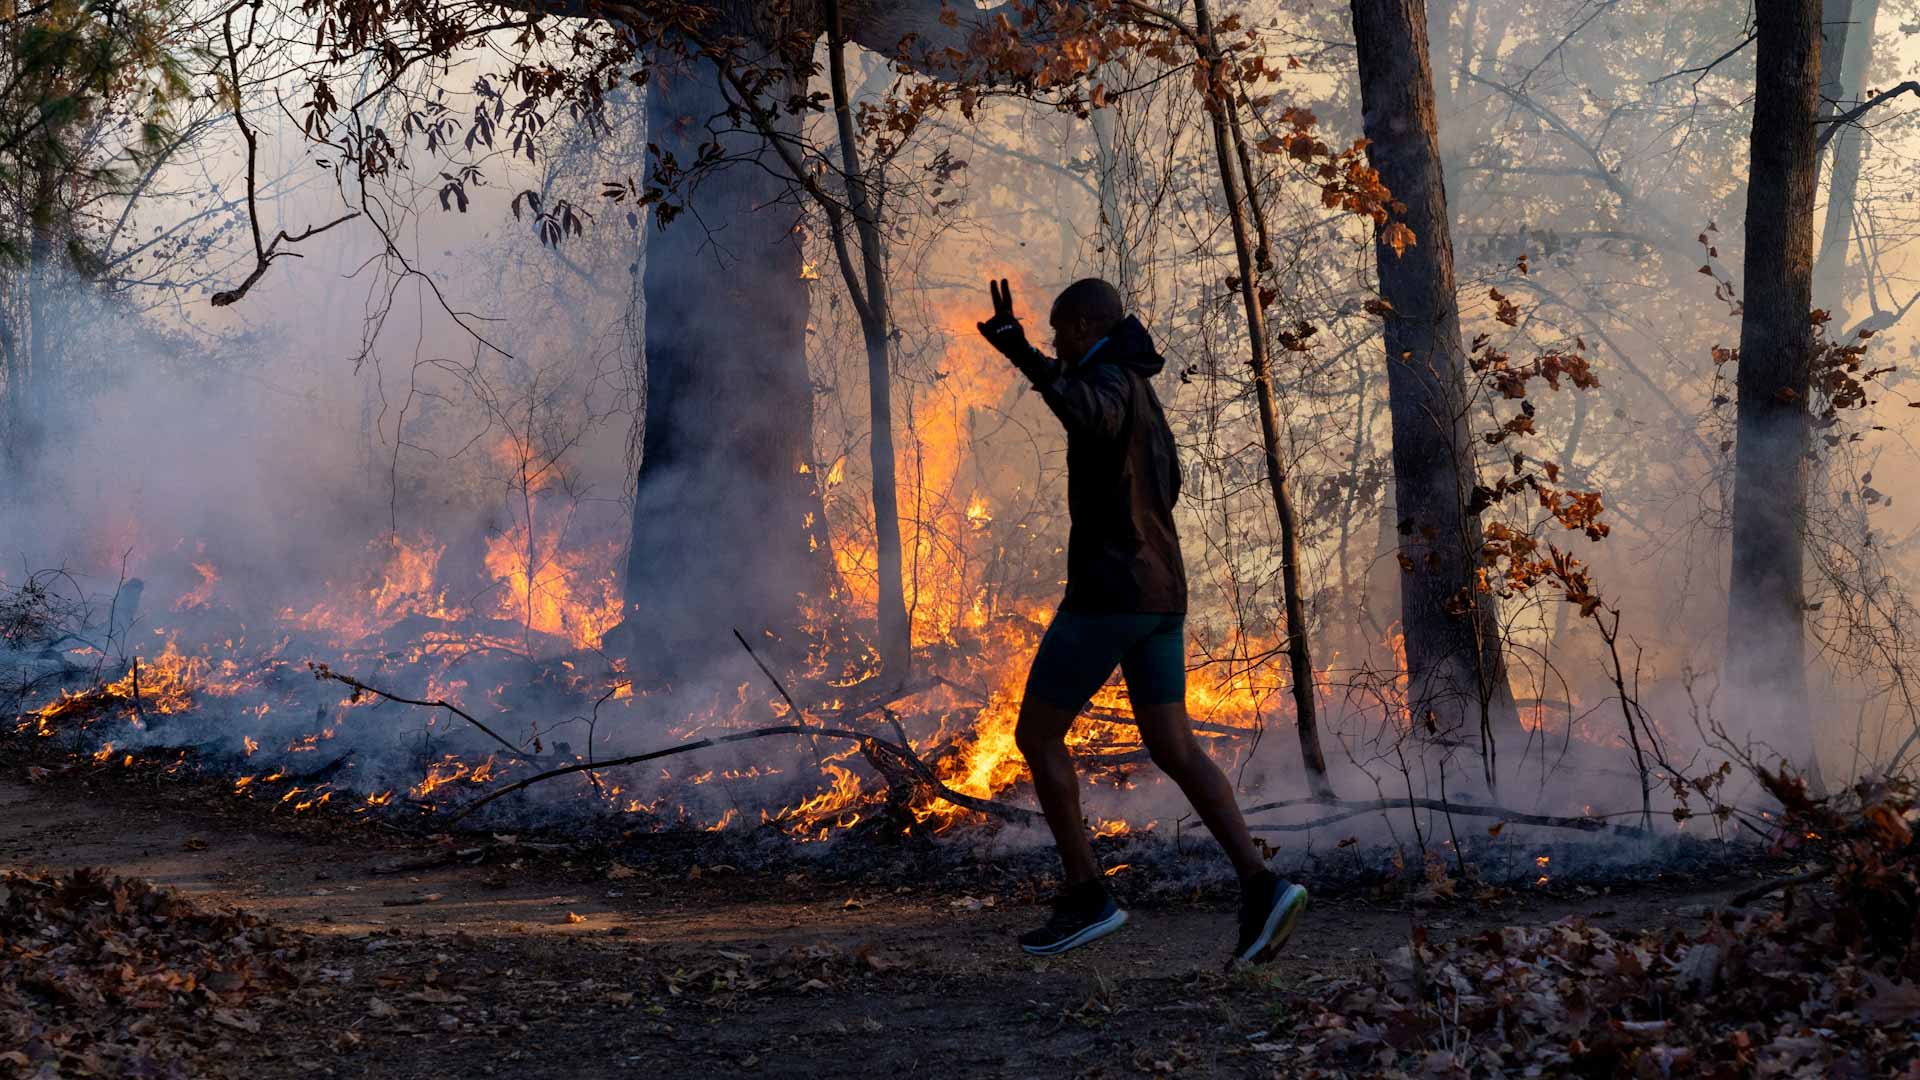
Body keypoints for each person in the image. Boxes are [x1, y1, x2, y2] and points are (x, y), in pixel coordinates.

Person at [976, 277, 1309, 962]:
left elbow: (1085, 414)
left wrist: (1023, 357)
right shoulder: (1141, 391)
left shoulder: (1109, 381)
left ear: (1091, 325)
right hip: (1161, 594)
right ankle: (1261, 886)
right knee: (1174, 747)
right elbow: (1167, 483)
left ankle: (1086, 897)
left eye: (1062, 331)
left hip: (1111, 595)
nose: (1055, 342)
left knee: (1036, 736)